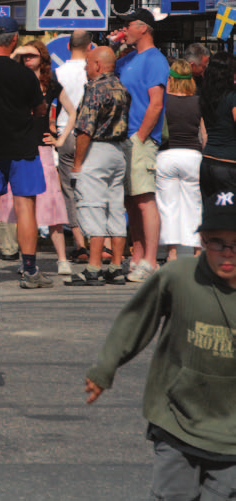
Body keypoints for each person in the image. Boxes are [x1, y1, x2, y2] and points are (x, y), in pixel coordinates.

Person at [84, 190, 236, 500]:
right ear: (203, 240)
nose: (228, 253)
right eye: (218, 243)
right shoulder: (178, 277)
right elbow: (136, 320)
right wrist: (105, 367)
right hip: (176, 418)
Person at [0, 15, 51, 288]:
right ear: (14, 39)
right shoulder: (23, 74)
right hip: (22, 147)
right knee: (25, 207)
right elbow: (40, 108)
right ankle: (29, 270)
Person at [11, 39, 75, 279]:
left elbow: (73, 112)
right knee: (22, 208)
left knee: (51, 206)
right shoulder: (15, 82)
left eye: (32, 55)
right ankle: (26, 260)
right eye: (24, 56)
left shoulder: (51, 85)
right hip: (19, 148)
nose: (27, 59)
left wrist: (59, 140)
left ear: (43, 58)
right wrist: (16, 52)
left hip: (42, 149)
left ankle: (62, 259)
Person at [69, 47, 132, 286]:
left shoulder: (95, 88)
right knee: (115, 209)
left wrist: (77, 165)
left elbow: (85, 129)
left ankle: (93, 267)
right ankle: (116, 266)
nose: (85, 68)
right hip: (118, 152)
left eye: (87, 63)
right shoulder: (121, 88)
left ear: (97, 65)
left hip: (96, 151)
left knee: (93, 206)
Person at [115, 8, 169, 283]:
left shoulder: (155, 60)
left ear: (143, 27)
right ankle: (137, 256)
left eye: (128, 24)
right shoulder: (129, 59)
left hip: (140, 139)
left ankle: (150, 260)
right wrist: (115, 45)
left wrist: (141, 137)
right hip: (124, 138)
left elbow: (156, 103)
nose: (124, 29)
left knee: (145, 199)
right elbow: (102, 68)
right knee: (131, 201)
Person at [156, 58, 203, 263]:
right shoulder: (198, 101)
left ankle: (172, 253)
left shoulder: (164, 100)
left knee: (168, 205)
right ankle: (197, 251)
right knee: (194, 205)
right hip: (193, 155)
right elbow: (203, 134)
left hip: (167, 155)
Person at [55, 30, 91, 262]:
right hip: (91, 134)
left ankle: (80, 245)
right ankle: (102, 242)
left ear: (68, 46)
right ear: (90, 47)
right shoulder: (94, 70)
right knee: (93, 189)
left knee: (69, 190)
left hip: (65, 133)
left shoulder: (58, 72)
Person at [199, 51, 236, 200]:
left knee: (211, 212)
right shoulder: (232, 97)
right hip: (229, 164)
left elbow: (204, 134)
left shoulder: (206, 97)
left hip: (208, 160)